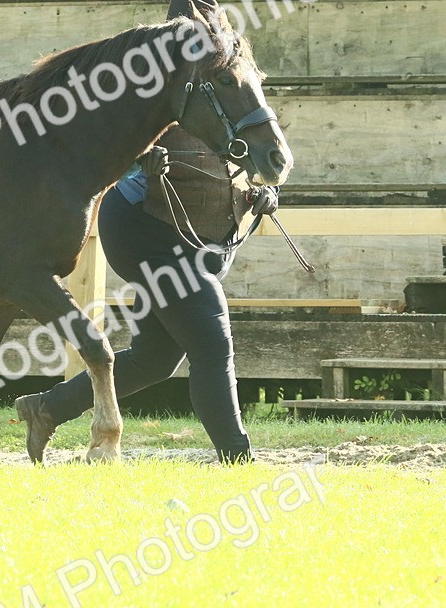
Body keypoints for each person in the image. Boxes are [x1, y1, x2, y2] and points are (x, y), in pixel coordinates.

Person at [14, 120, 278, 465]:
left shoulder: (244, 105)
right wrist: (139, 160)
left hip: (204, 244)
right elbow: (99, 148)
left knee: (154, 359)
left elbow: (268, 160)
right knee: (212, 345)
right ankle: (238, 460)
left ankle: (46, 408)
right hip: (147, 230)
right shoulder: (158, 92)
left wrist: (267, 190)